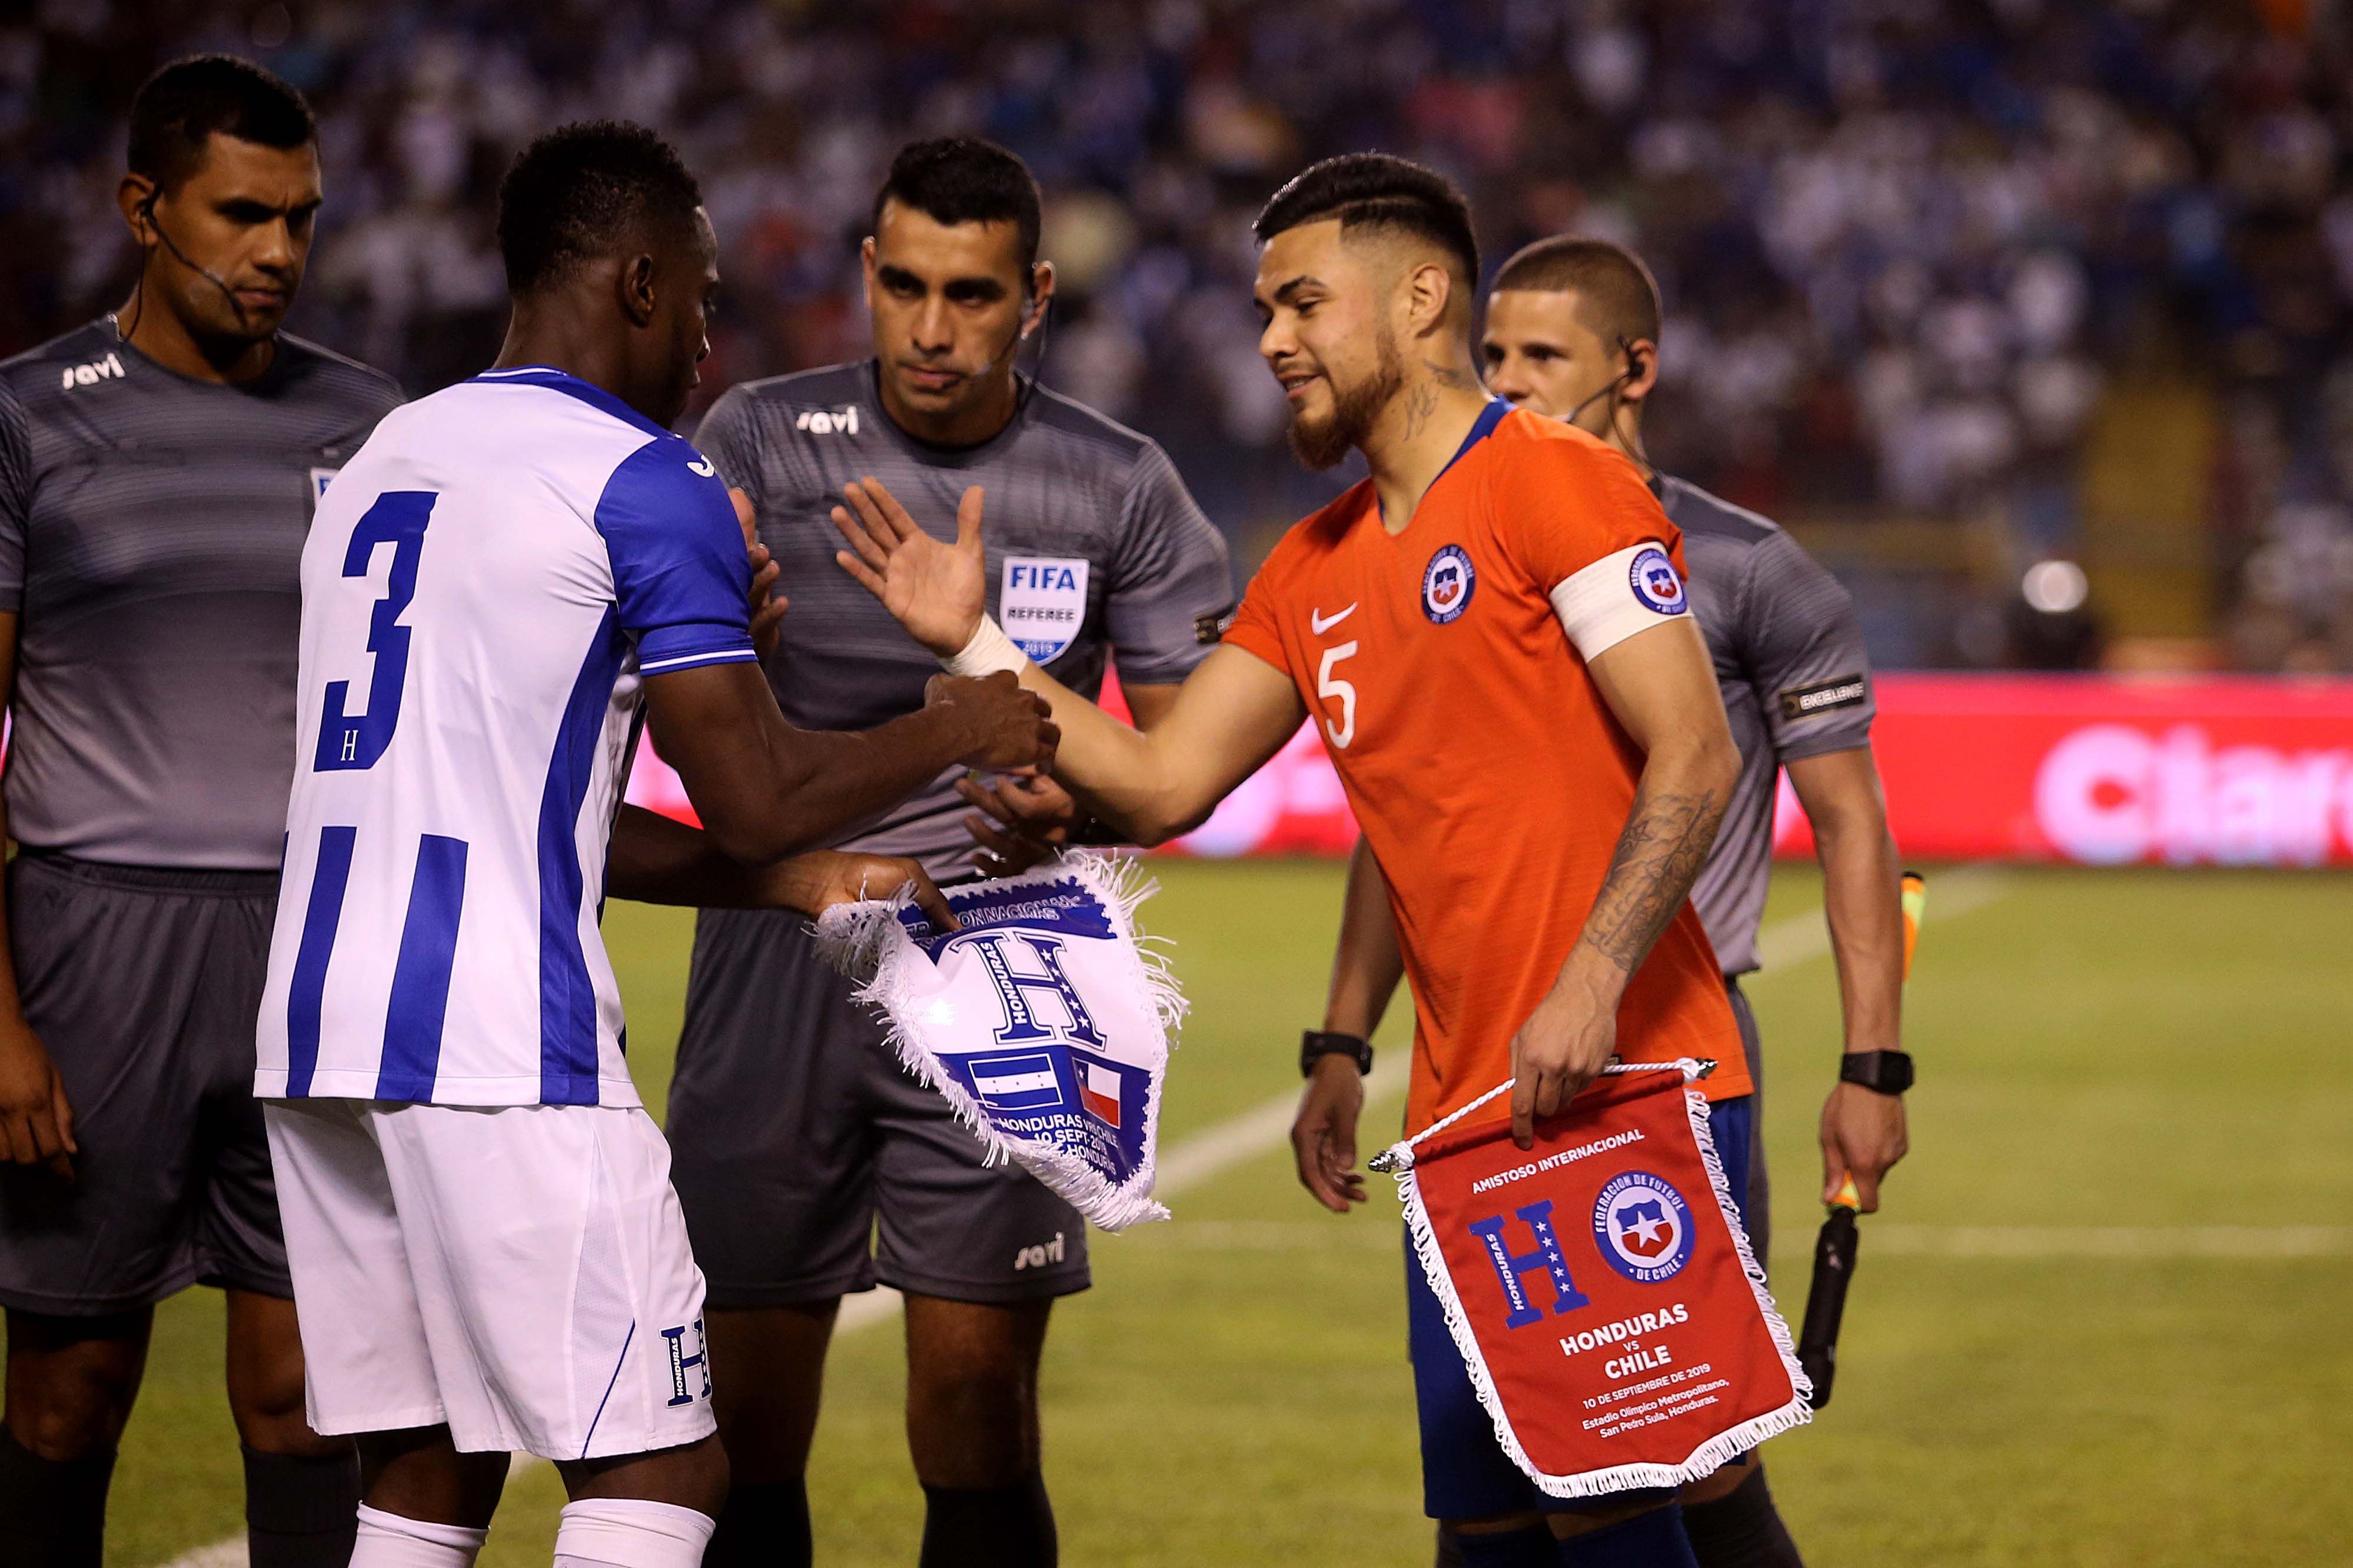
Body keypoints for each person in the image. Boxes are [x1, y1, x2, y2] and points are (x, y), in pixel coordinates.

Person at [833, 151, 1756, 1567]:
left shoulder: (1551, 486)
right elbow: (1157, 779)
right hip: (1458, 1125)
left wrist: (1587, 979)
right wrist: (974, 642)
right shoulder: (1311, 565)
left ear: (1420, 298)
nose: (1269, 339)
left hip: (1614, 1087)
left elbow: (1696, 751)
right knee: (1491, 1531)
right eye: (1264, 308)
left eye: (1303, 304)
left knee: (1620, 1513)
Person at [251, 119, 1055, 1568]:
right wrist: (961, 726)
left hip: (321, 1032)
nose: (704, 337)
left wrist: (788, 881)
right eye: (697, 296)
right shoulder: (642, 476)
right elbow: (752, 787)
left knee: (426, 1463)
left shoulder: (383, 458)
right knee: (667, 1467)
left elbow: (526, 797)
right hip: (503, 1042)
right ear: (635, 280)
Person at [673, 135, 1234, 1568]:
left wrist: (1083, 811)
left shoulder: (1120, 483)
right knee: (743, 1427)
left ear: (1034, 296)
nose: (933, 328)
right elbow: (682, 717)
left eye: (973, 295)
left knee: (978, 1406)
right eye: (906, 285)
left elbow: (1179, 764)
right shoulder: (747, 438)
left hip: (1005, 971)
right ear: (865, 274)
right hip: (772, 963)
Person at [1333, 238, 1915, 1568]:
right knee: (1487, 1457)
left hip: (1667, 1056)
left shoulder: (1749, 569)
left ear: (1633, 369)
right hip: (1482, 1065)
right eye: (1492, 356)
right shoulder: (1448, 538)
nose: (1510, 384)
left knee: (1687, 1450)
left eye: (1545, 358)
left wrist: (1872, 1064)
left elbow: (1848, 824)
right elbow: (1406, 820)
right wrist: (1338, 1036)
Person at [0, 55, 404, 1568]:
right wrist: (2, 1018)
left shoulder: (378, 427)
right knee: (68, 1391)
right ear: (142, 209)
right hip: (96, 945)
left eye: (301, 219)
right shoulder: (30, 419)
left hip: (313, 953)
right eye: (244, 215)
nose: (278, 254)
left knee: (306, 1391)